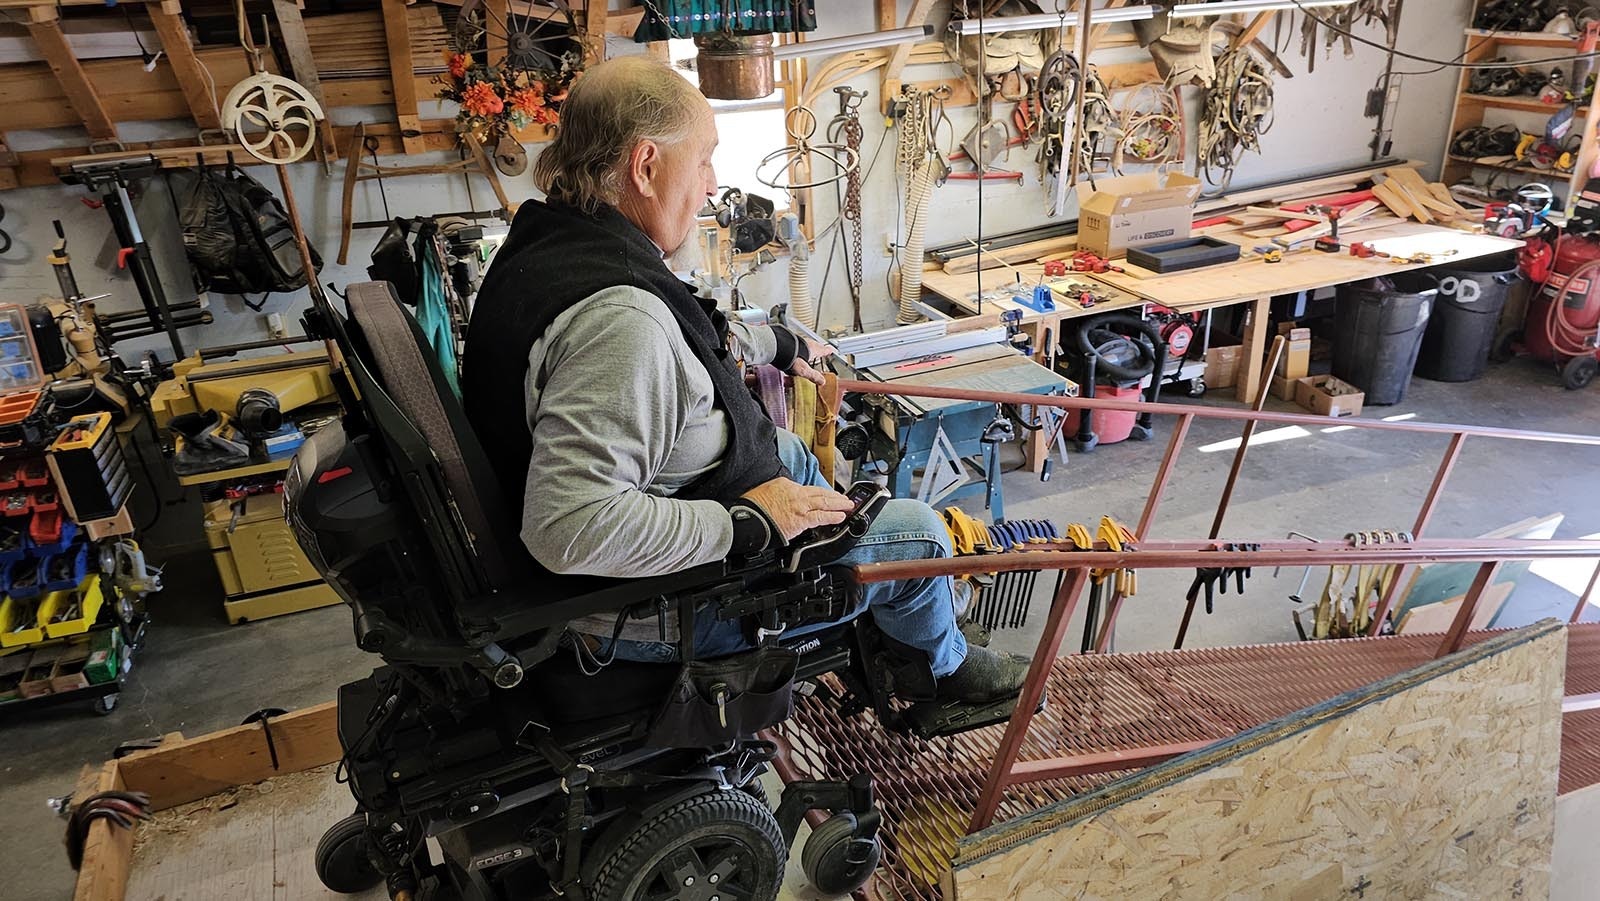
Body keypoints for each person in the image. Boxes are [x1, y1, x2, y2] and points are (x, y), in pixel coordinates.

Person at [462, 56, 1028, 704]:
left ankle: (893, 618)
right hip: (635, 610)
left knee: (787, 455)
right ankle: (939, 668)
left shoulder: (557, 242)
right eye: (702, 160)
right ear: (646, 167)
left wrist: (780, 342)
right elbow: (568, 525)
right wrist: (747, 524)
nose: (711, 184)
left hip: (653, 530)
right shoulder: (622, 324)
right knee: (920, 534)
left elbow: (689, 337)